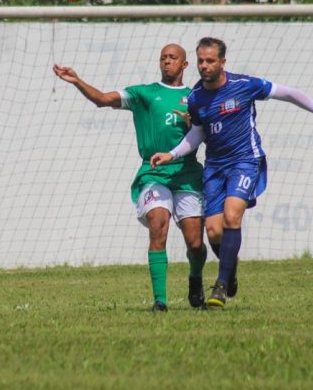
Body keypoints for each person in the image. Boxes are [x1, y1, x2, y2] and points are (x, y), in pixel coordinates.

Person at [151, 37, 313, 308]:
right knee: (214, 231)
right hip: (215, 167)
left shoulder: (244, 86)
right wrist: (171, 154)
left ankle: (220, 286)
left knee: (232, 215)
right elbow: (197, 133)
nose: (204, 66)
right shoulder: (195, 97)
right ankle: (230, 270)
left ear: (222, 62)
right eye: (201, 61)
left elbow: (287, 92)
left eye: (210, 61)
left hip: (245, 161)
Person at [53, 44, 208, 312]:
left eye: (173, 58)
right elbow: (102, 99)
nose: (166, 61)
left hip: (188, 173)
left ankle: (195, 279)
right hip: (154, 172)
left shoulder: (196, 97)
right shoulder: (144, 93)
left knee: (195, 243)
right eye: (163, 57)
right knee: (158, 224)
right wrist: (77, 81)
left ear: (185, 65)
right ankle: (160, 301)